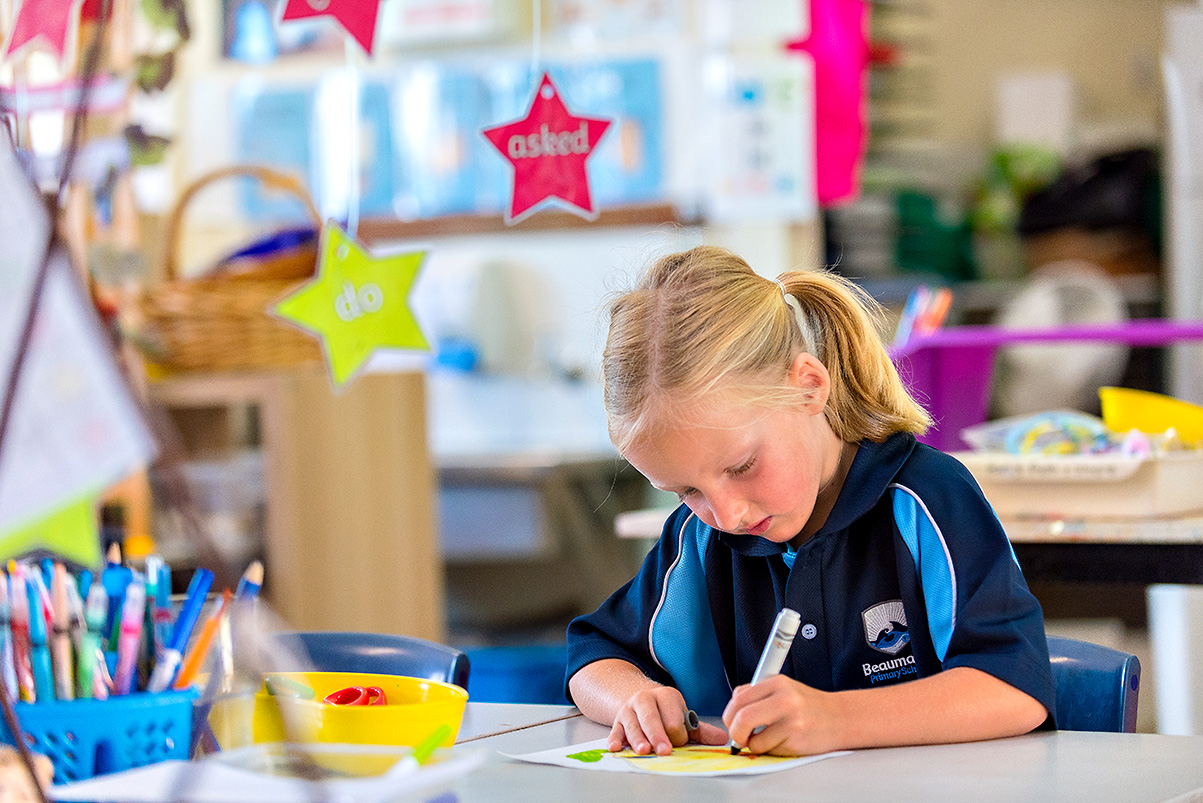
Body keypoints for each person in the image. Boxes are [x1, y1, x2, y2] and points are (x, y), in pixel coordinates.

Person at [565, 246, 1054, 758]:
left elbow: (1015, 688)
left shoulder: (926, 498)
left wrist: (834, 720)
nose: (727, 514)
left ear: (808, 388)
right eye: (687, 491)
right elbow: (593, 657)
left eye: (741, 467)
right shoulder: (700, 535)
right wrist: (635, 698)